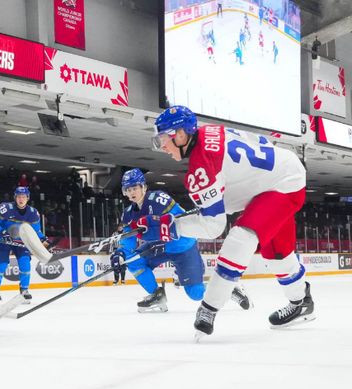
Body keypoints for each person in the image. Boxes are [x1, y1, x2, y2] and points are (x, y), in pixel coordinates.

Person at [150, 105, 314, 339]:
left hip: (282, 183)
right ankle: (301, 302)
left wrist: (170, 227)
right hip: (279, 173)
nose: (162, 147)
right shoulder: (208, 132)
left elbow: (213, 226)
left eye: (162, 139)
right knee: (277, 255)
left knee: (241, 238)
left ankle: (208, 309)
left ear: (180, 134)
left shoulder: (201, 164)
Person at [110, 168, 249, 312]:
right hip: (158, 247)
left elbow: (182, 221)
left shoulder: (158, 199)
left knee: (195, 293)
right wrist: (120, 253)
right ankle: (156, 295)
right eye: (128, 189)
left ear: (143, 187)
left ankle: (229, 289)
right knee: (131, 260)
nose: (132, 192)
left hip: (182, 246)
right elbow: (128, 240)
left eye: (134, 188)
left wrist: (167, 229)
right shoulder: (128, 214)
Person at [0, 186, 48, 305]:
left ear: (28, 198)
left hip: (21, 242)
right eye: (19, 197)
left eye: (23, 197)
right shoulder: (5, 208)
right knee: (1, 266)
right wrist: (1, 232)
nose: (21, 199)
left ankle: (24, 290)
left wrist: (43, 239)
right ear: (15, 197)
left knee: (25, 265)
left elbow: (36, 231)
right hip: (4, 241)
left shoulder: (33, 213)